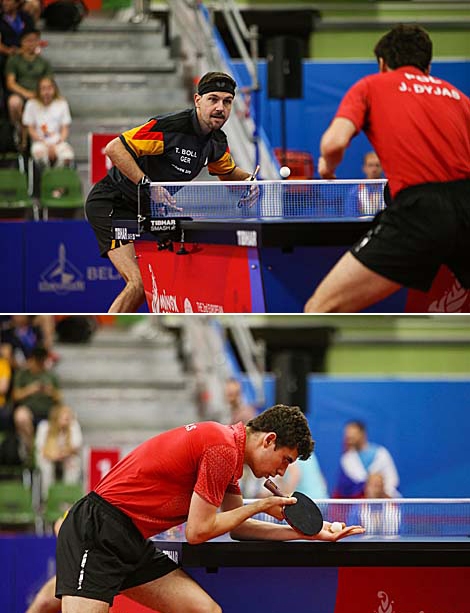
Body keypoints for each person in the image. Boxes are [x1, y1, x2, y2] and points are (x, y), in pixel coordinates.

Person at [55, 405, 364, 612]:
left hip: (131, 540)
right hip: (98, 531)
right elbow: (199, 530)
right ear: (269, 440)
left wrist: (306, 534)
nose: (283, 471)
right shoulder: (222, 448)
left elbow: (239, 528)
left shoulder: (231, 456)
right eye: (286, 459)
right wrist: (263, 504)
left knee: (206, 611)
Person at [304, 24, 470, 313]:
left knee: (320, 308)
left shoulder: (371, 85)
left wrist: (327, 168)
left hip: (420, 213)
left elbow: (333, 143)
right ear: (428, 66)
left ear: (382, 63)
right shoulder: (458, 96)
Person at [85, 71, 260, 313]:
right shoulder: (170, 127)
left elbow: (228, 173)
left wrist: (250, 181)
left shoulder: (216, 142)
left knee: (178, 258)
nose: (220, 107)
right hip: (114, 203)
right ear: (198, 100)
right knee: (137, 283)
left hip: (150, 209)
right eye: (213, 99)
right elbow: (115, 149)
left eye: (227, 101)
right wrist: (148, 185)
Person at [5, 28, 52, 145]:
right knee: (14, 102)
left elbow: (48, 83)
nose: (31, 43)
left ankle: (31, 134)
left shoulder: (43, 62)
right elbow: (10, 82)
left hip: (39, 95)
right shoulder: (14, 60)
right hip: (20, 94)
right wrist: (26, 93)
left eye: (35, 40)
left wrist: (39, 94)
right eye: (28, 40)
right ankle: (18, 129)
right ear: (22, 42)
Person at [333, 420, 400, 499]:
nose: (349, 437)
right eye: (347, 435)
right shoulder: (346, 459)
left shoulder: (381, 454)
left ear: (363, 434)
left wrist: (380, 494)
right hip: (358, 506)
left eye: (353, 434)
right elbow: (344, 490)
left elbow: (393, 481)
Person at [23, 76, 75, 169]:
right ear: (38, 90)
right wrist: (45, 143)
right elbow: (30, 129)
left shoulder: (62, 103)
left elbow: (65, 128)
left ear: (54, 89)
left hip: (58, 142)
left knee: (67, 155)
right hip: (39, 142)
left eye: (49, 88)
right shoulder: (31, 104)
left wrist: (56, 144)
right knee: (39, 154)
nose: (46, 91)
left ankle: (58, 179)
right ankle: (44, 179)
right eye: (43, 88)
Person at [35, 403, 83, 500]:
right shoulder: (44, 427)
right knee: (46, 465)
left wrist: (62, 454)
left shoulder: (73, 425)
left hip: (66, 457)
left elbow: (76, 446)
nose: (68, 419)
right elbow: (42, 450)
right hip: (49, 456)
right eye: (65, 416)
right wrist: (54, 455)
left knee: (73, 462)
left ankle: (68, 497)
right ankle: (48, 498)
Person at [11, 345, 62, 426]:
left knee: (63, 416)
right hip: (28, 409)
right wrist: (30, 389)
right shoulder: (22, 375)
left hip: (48, 409)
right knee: (21, 416)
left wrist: (51, 392)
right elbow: (15, 396)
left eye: (42, 360)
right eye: (37, 360)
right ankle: (27, 439)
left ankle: (51, 438)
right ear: (31, 359)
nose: (40, 363)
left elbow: (60, 398)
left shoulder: (51, 376)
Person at [344, 151, 385, 216]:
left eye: (377, 165)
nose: (374, 169)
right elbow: (350, 216)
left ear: (382, 168)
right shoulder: (354, 192)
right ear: (364, 168)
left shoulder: (389, 190)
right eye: (370, 165)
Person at [0, 404, 34, 471]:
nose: (23, 425)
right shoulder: (9, 441)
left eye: (25, 422)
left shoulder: (40, 434)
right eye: (20, 423)